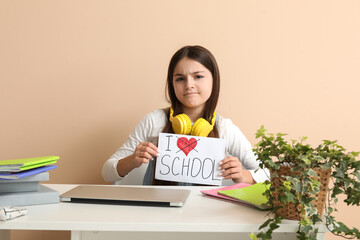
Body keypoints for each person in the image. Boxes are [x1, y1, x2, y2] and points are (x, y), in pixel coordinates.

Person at [102, 45, 269, 186]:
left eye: (198, 76)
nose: (189, 85)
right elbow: (107, 172)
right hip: (158, 217)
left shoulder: (225, 128)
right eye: (180, 79)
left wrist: (243, 175)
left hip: (207, 218)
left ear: (213, 80)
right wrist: (133, 160)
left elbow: (269, 174)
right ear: (172, 83)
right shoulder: (155, 121)